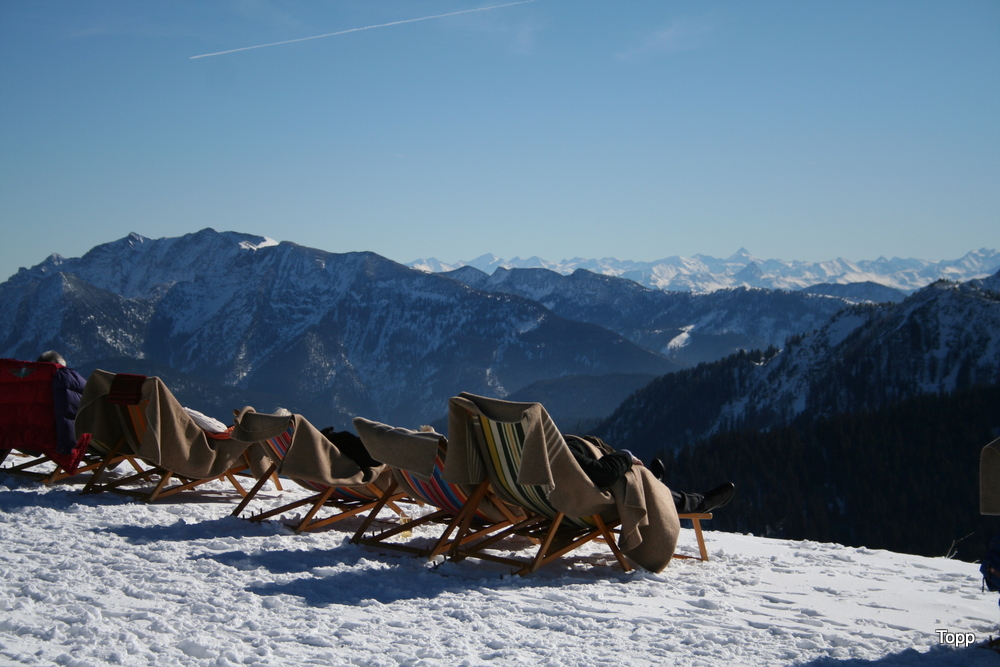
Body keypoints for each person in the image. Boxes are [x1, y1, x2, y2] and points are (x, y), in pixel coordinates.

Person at [564, 434, 735, 514]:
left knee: (638, 483)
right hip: (588, 500)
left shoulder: (539, 460)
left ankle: (653, 483)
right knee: (631, 486)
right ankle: (698, 503)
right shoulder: (558, 453)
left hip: (564, 496)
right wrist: (626, 455)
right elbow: (604, 474)